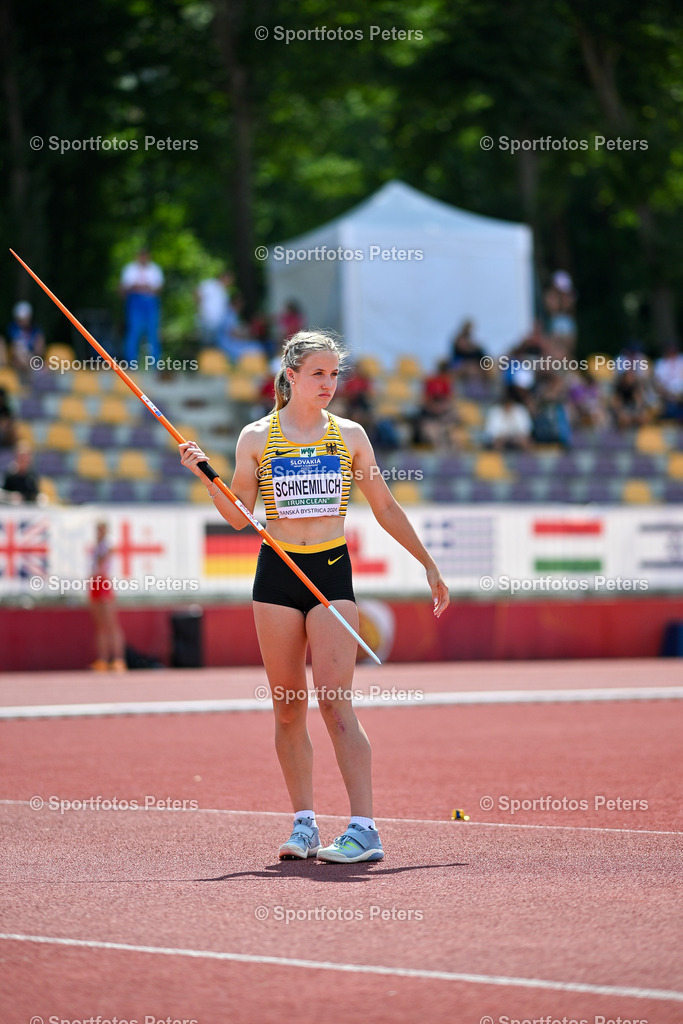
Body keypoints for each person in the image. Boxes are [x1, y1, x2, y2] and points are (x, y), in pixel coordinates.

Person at [180, 330, 449, 863]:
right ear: (291, 376)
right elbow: (238, 517)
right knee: (286, 709)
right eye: (318, 374)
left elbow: (386, 506)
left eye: (333, 374)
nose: (328, 383)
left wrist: (428, 562)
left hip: (329, 573)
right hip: (276, 575)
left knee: (335, 702)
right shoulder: (257, 436)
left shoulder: (350, 435)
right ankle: (303, 824)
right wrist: (205, 476)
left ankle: (364, 828)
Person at [88, 521, 127, 672]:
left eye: (101, 529)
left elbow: (103, 559)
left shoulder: (108, 543)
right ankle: (103, 659)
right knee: (100, 625)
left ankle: (118, 659)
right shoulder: (97, 545)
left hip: (104, 581)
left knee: (111, 624)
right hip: (95, 582)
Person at [120, 248, 164, 366]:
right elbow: (125, 288)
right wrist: (144, 288)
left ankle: (155, 365)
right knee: (134, 332)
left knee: (153, 333)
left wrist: (139, 287)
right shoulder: (130, 269)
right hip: (135, 303)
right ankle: (131, 363)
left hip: (151, 303)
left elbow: (158, 288)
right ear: (138, 256)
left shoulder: (155, 269)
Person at [195, 269, 234, 348]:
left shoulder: (225, 292)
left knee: (214, 346)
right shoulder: (211, 284)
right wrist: (201, 310)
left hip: (218, 324)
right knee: (205, 345)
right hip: (206, 320)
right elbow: (197, 292)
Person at [4, 301, 45, 376]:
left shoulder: (36, 330)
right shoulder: (12, 329)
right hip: (16, 360)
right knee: (19, 352)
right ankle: (32, 376)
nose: (23, 321)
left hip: (32, 359)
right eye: (21, 319)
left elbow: (39, 351)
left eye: (25, 318)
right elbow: (13, 348)